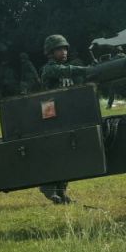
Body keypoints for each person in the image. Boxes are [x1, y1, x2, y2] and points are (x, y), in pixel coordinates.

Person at [38, 34, 90, 205]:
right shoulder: (49, 69)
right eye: (60, 49)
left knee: (67, 153)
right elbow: (65, 71)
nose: (64, 52)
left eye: (65, 49)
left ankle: (61, 191)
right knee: (54, 152)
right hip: (50, 116)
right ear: (51, 52)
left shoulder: (66, 68)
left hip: (64, 115)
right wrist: (86, 69)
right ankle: (48, 187)